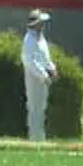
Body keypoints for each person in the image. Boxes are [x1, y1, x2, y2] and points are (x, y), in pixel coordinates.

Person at [22, 10, 57, 141]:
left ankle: (39, 137)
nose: (43, 25)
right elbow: (29, 60)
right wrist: (43, 75)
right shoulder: (29, 39)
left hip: (43, 78)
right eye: (41, 23)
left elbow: (45, 57)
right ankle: (34, 137)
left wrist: (52, 68)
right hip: (34, 77)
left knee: (41, 108)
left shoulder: (40, 38)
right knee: (34, 108)